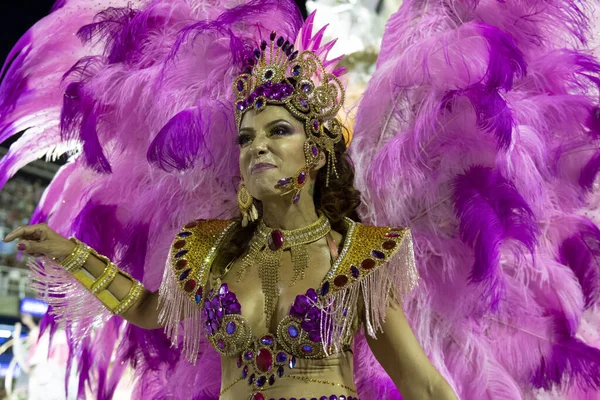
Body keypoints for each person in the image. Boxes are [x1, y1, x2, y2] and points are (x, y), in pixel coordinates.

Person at [1, 0, 600, 399]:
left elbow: (423, 387)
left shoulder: (360, 256)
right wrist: (72, 255)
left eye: (278, 132)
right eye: (246, 137)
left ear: (314, 153)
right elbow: (151, 311)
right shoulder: (205, 248)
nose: (257, 148)